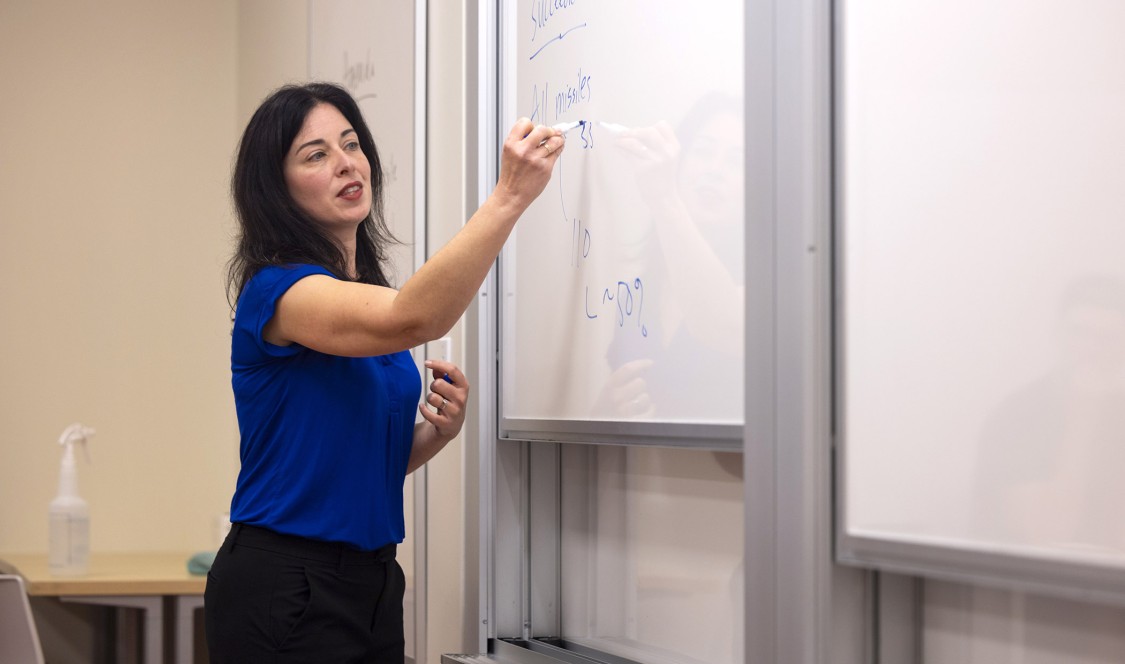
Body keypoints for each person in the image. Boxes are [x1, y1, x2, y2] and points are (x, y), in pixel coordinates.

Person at [204, 82, 564, 663]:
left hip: (371, 579)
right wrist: (507, 198)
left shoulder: (362, 300)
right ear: (277, 187)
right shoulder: (281, 292)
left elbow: (355, 461)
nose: (347, 163)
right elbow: (414, 316)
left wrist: (433, 435)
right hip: (284, 583)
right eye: (316, 155)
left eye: (351, 143)